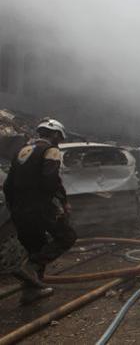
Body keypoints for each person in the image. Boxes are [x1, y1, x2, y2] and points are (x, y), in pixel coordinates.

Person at [3, 118, 77, 304]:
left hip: (19, 209)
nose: (59, 142)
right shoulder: (51, 150)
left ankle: (31, 291)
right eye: (59, 138)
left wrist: (14, 208)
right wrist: (59, 204)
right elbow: (50, 179)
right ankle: (31, 267)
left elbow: (8, 185)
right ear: (54, 135)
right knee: (67, 237)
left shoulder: (21, 151)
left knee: (36, 246)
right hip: (40, 207)